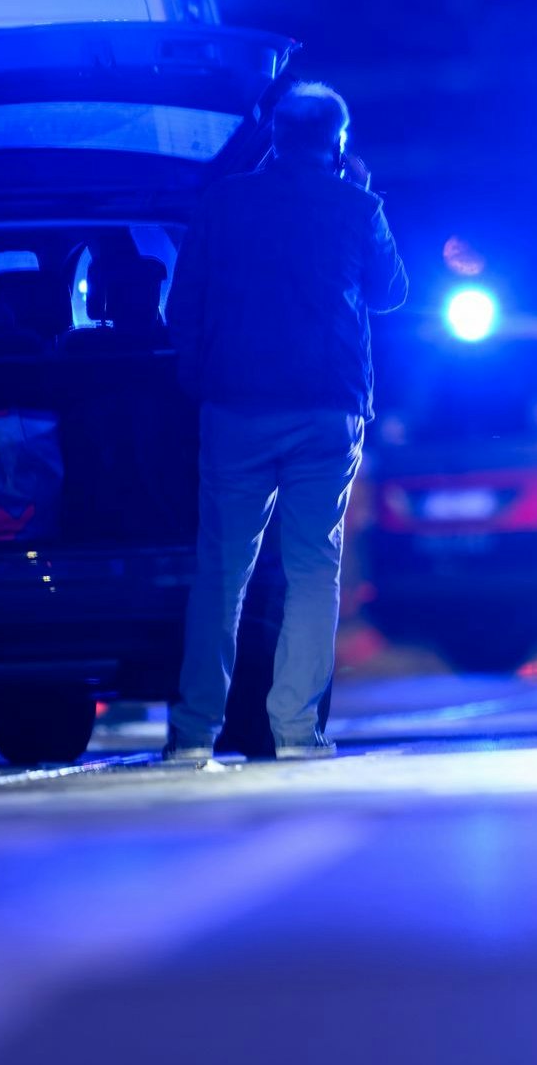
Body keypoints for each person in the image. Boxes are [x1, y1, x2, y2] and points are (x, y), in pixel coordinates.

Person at [161, 81, 409, 764]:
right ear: (337, 142)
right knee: (312, 570)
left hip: (236, 405)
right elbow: (391, 293)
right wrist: (366, 192)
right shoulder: (354, 206)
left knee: (221, 572)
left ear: (274, 135)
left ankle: (192, 731)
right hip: (326, 409)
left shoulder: (223, 203)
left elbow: (181, 306)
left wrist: (200, 377)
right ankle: (295, 729)